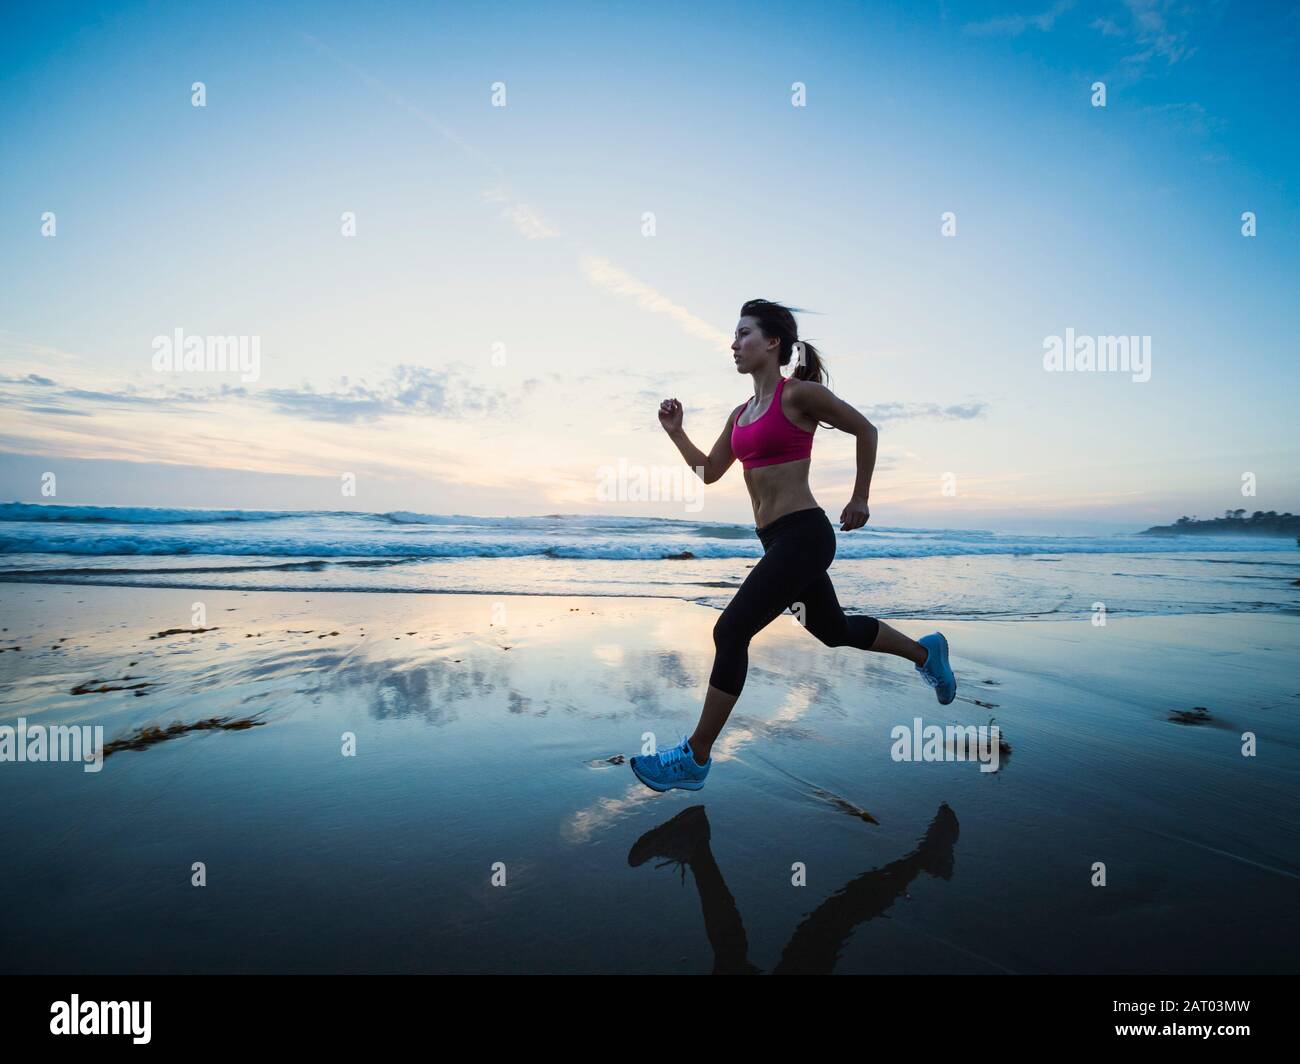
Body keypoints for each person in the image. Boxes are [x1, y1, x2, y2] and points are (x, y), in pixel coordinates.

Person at [630, 299, 956, 793]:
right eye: (734, 336)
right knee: (833, 629)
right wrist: (677, 434)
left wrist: (861, 497)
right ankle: (925, 654)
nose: (734, 344)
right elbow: (709, 472)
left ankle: (696, 755)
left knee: (731, 630)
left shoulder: (799, 394)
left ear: (772, 342)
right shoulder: (740, 415)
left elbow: (865, 429)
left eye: (743, 334)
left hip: (805, 535)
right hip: (776, 541)